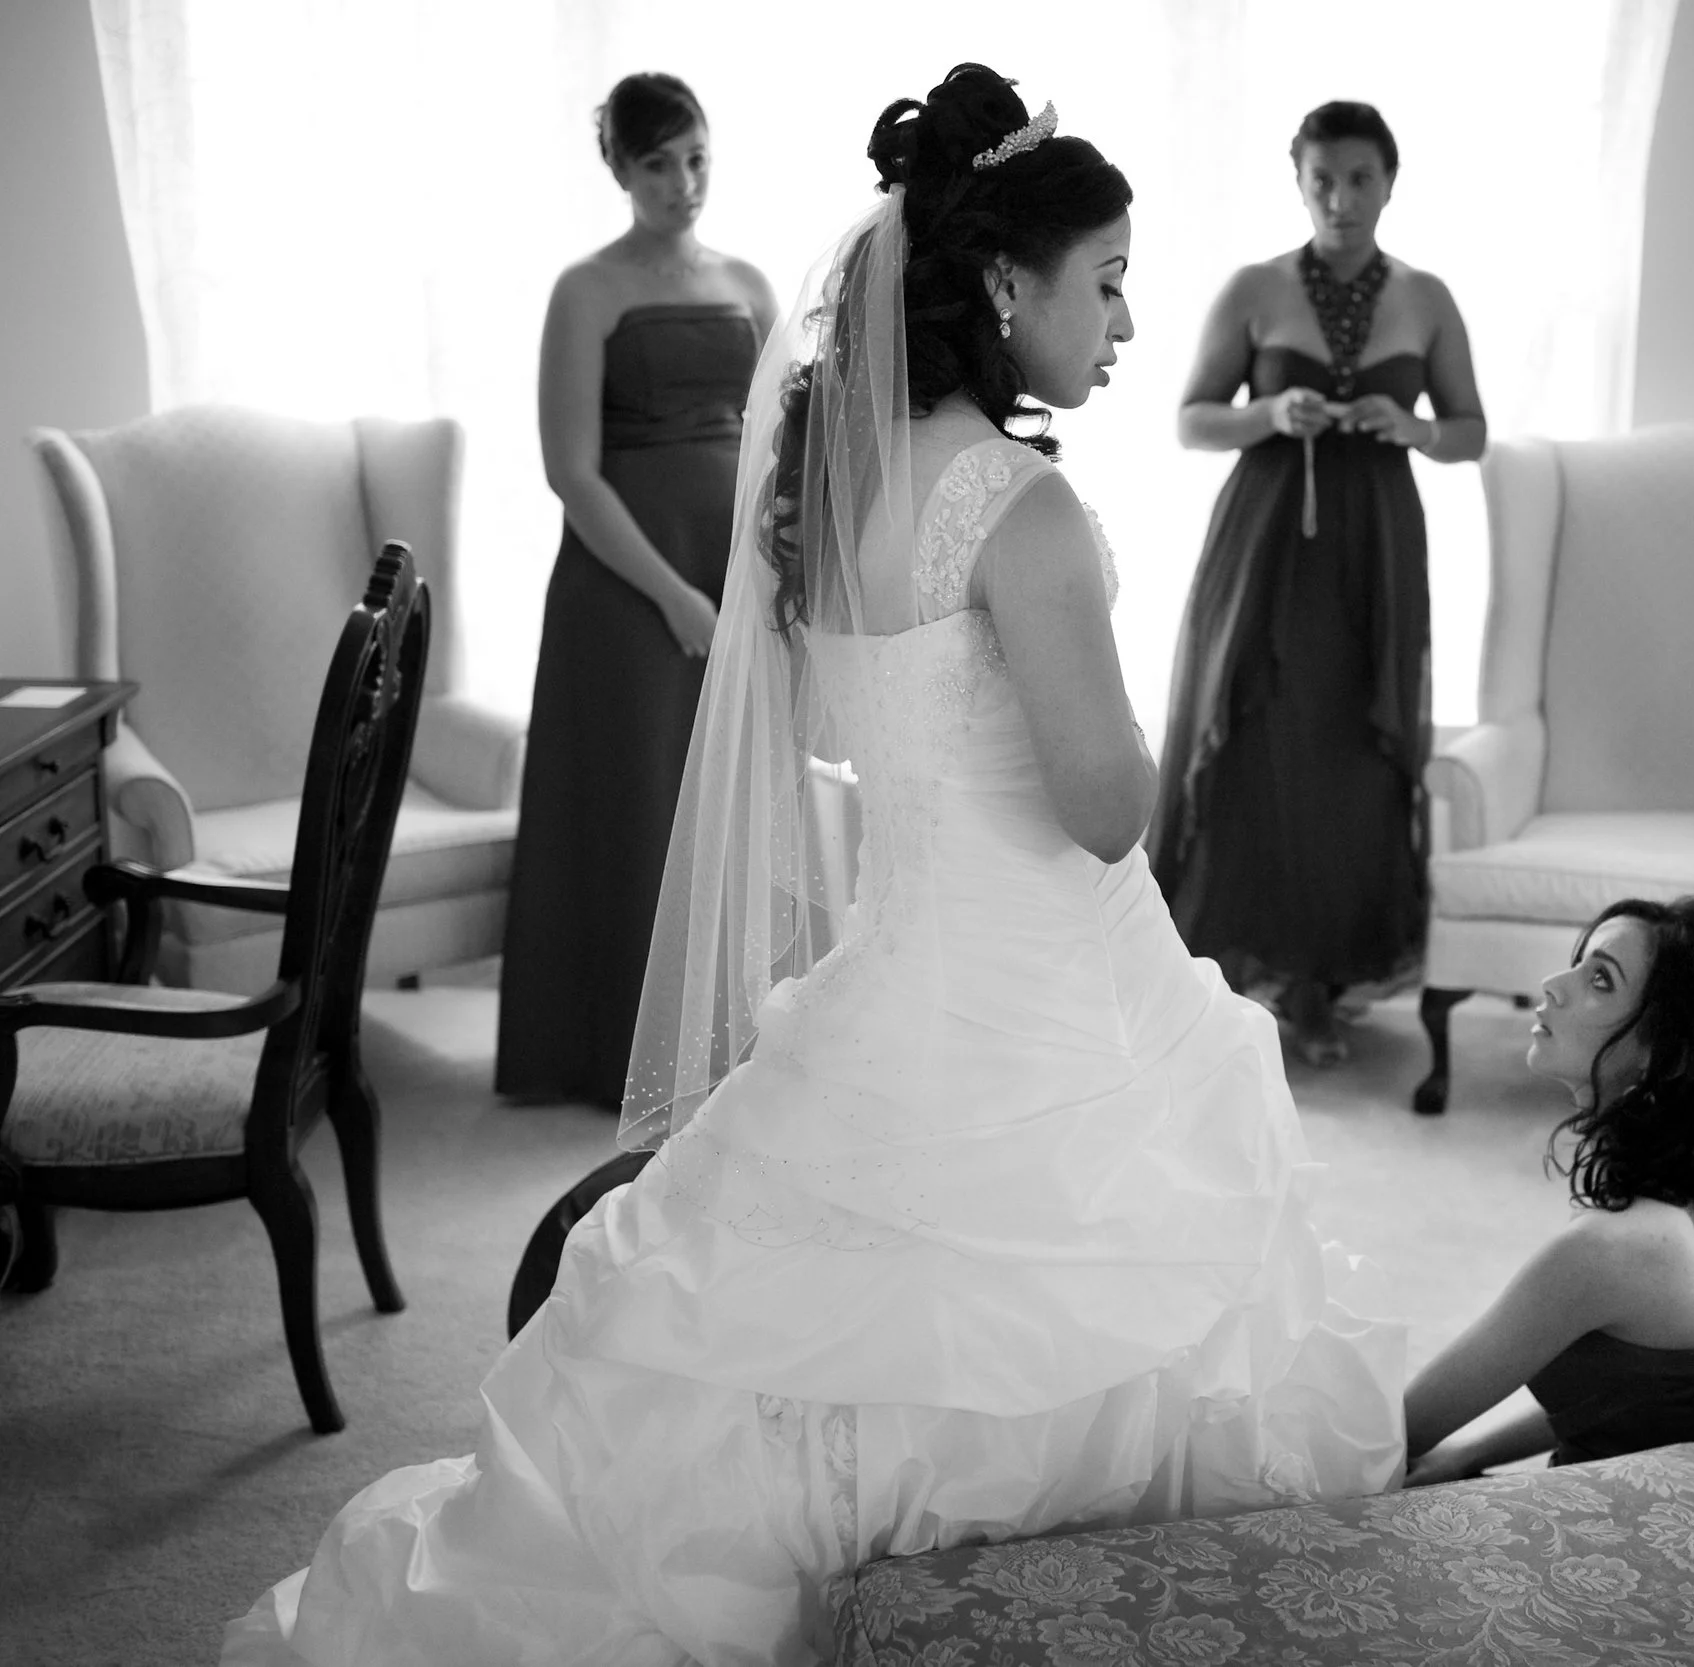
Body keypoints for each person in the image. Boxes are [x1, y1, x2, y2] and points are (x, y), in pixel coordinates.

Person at [225, 66, 1403, 1665]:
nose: (1128, 321)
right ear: (1003, 282)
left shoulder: (820, 490)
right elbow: (1106, 808)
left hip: (905, 959)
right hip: (1051, 990)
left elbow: (867, 742)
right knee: (1117, 1315)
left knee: (816, 1315)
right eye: (1109, 280)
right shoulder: (1023, 506)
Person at [1149, 100, 1485, 1067]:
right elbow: (1191, 419)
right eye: (1321, 181)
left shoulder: (1427, 298)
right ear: (1299, 184)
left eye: (1360, 180)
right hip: (1266, 542)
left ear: (1390, 182)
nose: (1340, 199)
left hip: (1375, 543)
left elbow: (1471, 431)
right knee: (1260, 737)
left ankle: (1323, 980)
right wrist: (1268, 415)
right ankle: (1244, 974)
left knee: (1351, 751)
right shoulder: (1254, 287)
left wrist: (1411, 425)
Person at [497, 73, 777, 1108]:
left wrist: (767, 566)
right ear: (618, 169)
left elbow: (779, 440)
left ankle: (734, 1040)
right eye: (657, 162)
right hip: (626, 584)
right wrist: (670, 595)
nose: (682, 182)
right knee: (637, 801)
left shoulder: (749, 283)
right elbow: (571, 471)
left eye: (696, 156)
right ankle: (612, 1052)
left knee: (737, 800)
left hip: (735, 568)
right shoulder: (587, 288)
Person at [1402, 896, 1694, 1483]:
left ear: (1665, 1054)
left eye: (1600, 980)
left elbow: (1403, 1428)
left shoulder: (1614, 1249)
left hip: (1629, 1553)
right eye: (1579, 963)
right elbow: (1616, 1396)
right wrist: (1471, 1455)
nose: (1552, 985)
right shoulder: (1693, 1200)